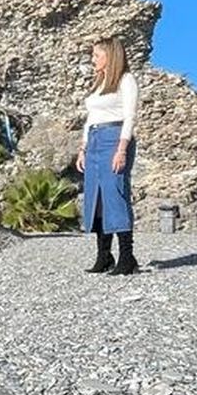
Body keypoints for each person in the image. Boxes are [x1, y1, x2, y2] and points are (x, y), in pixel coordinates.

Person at [75, 38, 139, 275]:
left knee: (115, 194)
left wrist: (121, 149)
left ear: (110, 56)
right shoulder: (99, 84)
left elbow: (130, 117)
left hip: (114, 137)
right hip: (94, 139)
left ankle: (127, 257)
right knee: (97, 198)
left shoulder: (126, 80)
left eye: (96, 55)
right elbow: (90, 118)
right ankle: (104, 256)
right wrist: (83, 148)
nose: (93, 60)